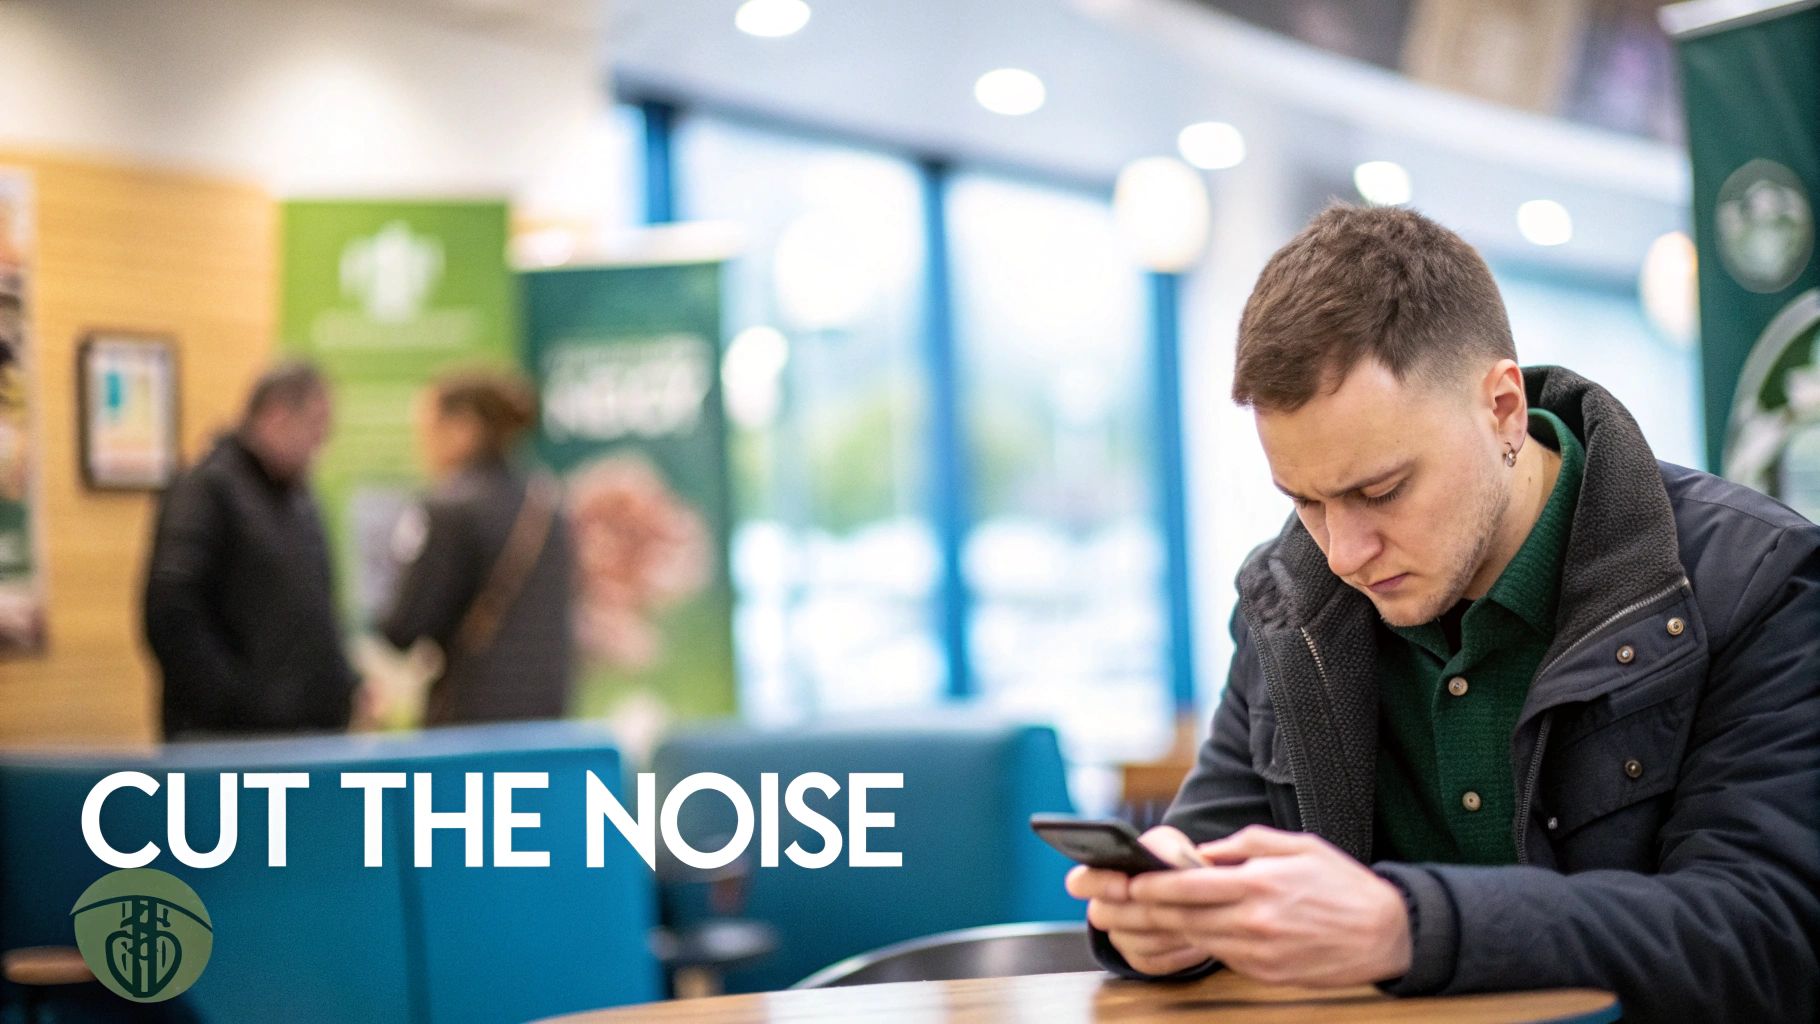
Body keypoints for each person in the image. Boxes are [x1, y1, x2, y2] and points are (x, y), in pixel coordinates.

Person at [1069, 206, 1820, 1023]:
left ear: (1502, 408)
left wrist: (1406, 926)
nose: (1344, 552)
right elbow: (1210, 855)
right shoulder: (1285, 600)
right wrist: (1170, 925)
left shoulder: (1759, 581)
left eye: (1381, 490)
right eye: (1306, 501)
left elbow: (1762, 932)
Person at [143, 360, 355, 738]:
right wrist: (235, 703)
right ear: (276, 415)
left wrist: (345, 687)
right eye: (316, 426)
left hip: (302, 736)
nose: (321, 443)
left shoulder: (299, 499)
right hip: (231, 741)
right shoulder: (206, 490)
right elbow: (171, 608)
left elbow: (314, 609)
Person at [375, 368, 573, 725]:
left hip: (473, 721)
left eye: (430, 427)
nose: (423, 443)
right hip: (547, 718)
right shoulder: (549, 506)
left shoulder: (449, 508)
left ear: (463, 427)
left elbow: (403, 627)